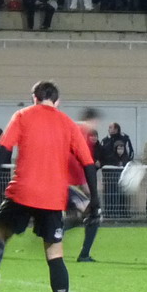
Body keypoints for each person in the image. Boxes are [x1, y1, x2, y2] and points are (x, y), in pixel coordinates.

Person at [0, 80, 99, 292]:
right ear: (57, 101)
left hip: (22, 191)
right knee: (55, 255)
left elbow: (2, 150)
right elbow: (88, 163)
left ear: (34, 98)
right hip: (53, 197)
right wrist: (95, 200)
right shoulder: (68, 123)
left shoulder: (23, 116)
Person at [64, 107, 104, 262]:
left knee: (80, 215)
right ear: (93, 120)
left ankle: (54, 230)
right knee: (94, 214)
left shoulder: (73, 129)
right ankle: (84, 254)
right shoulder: (82, 133)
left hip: (59, 182)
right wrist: (85, 184)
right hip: (66, 184)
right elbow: (76, 161)